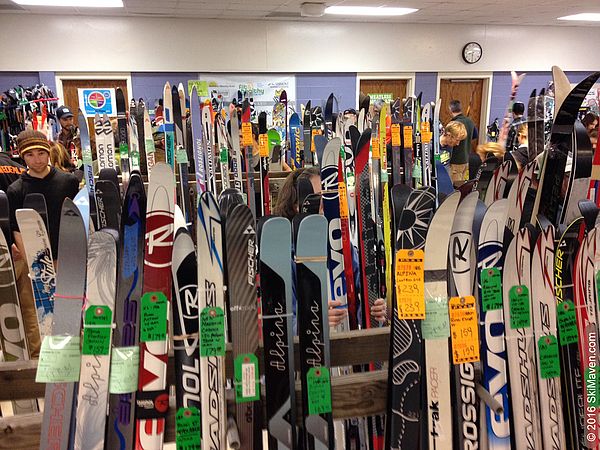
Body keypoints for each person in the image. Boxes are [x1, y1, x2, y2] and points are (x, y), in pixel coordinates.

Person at [274, 168, 387, 328]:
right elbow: (280, 324)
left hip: (351, 346)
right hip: (308, 350)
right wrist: (313, 321)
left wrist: (375, 313)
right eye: (318, 198)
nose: (324, 205)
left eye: (327, 198)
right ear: (296, 206)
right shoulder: (284, 257)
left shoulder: (343, 248)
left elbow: (360, 308)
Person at [448, 100, 478, 187]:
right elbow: (475, 136)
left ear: (450, 110)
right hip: (466, 160)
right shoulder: (470, 121)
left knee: (456, 188)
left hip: (455, 160)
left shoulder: (453, 124)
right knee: (463, 186)